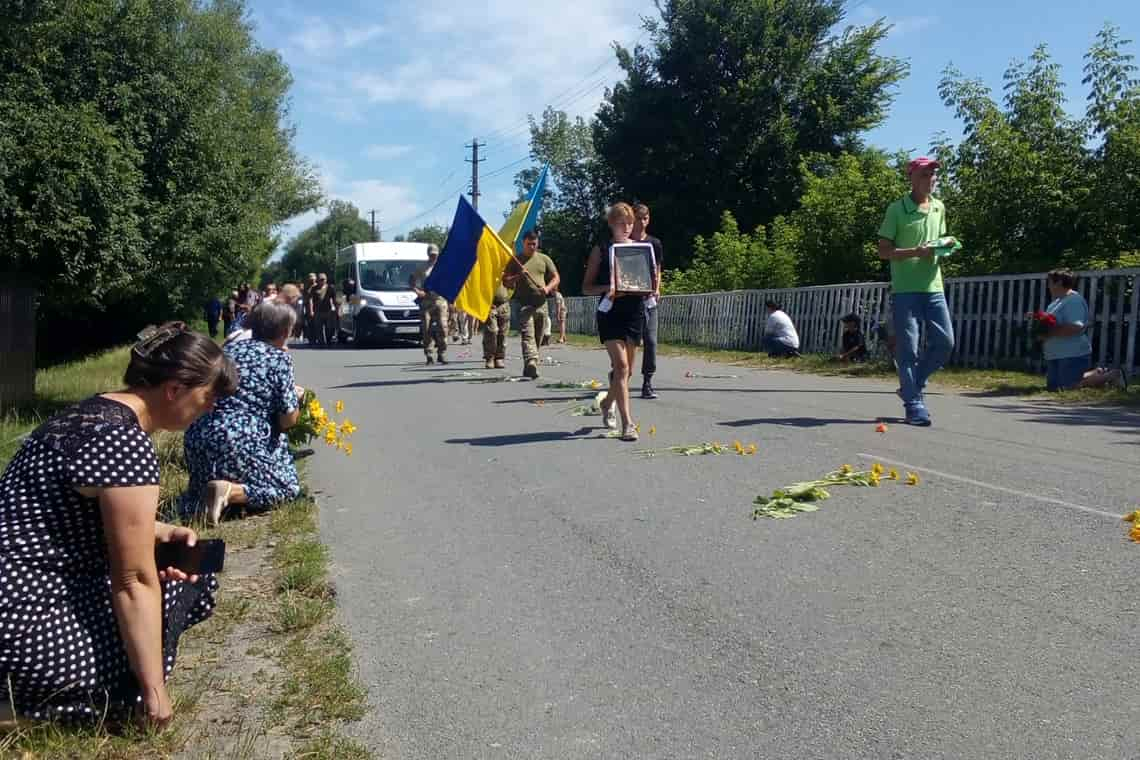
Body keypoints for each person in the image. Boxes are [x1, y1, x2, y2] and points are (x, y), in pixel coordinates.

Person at [0, 323, 237, 726]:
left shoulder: (83, 415)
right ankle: (42, 706)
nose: (211, 408)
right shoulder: (126, 443)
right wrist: (154, 690)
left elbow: (63, 511)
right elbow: (132, 580)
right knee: (182, 586)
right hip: (23, 624)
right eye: (209, 397)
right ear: (175, 389)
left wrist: (157, 530)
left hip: (12, 596)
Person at [180, 302, 304, 525]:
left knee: (197, 493)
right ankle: (231, 491)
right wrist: (297, 400)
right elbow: (287, 420)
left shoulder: (223, 352)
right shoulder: (278, 358)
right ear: (286, 331)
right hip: (241, 439)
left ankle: (204, 499)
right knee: (288, 488)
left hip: (199, 437)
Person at [878, 156, 956, 427]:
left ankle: (914, 385)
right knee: (908, 349)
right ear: (911, 177)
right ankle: (914, 405)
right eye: (924, 174)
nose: (930, 179)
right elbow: (883, 250)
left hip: (934, 287)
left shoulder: (939, 207)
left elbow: (941, 241)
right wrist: (915, 252)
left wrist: (946, 244)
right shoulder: (897, 209)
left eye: (933, 174)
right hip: (905, 290)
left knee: (945, 343)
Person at [582, 202, 644, 441]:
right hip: (610, 312)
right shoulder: (601, 249)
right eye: (621, 223)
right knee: (621, 367)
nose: (627, 227)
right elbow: (586, 287)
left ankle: (607, 402)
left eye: (630, 222)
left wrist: (648, 289)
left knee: (626, 373)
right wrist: (609, 287)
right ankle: (628, 423)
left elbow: (647, 279)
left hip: (634, 312)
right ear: (611, 224)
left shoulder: (641, 248)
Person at [1038, 269, 1127, 391]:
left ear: (1058, 283)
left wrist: (1049, 332)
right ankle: (1099, 372)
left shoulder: (1074, 301)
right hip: (1056, 353)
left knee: (1067, 387)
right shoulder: (1055, 303)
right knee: (1054, 387)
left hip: (1071, 353)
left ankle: (1113, 375)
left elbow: (1076, 326)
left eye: (1049, 282)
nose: (1048, 286)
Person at [502, 229, 560, 379]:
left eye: (534, 244)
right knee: (528, 335)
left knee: (538, 337)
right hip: (524, 305)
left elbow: (556, 277)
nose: (532, 247)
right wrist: (518, 275)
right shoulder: (516, 260)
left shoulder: (544, 259)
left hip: (541, 304)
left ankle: (530, 363)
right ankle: (532, 362)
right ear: (523, 243)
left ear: (538, 243)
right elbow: (506, 282)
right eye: (529, 244)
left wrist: (547, 288)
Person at [632, 203, 664, 399]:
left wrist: (657, 288)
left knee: (651, 341)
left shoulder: (654, 243)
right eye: (638, 218)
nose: (642, 222)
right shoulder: (625, 242)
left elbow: (657, 268)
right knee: (630, 343)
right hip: (628, 300)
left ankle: (647, 381)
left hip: (648, 299)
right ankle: (619, 373)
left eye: (645, 218)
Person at [411, 244, 449, 364]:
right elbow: (411, 280)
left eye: (435, 254)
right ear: (428, 254)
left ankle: (442, 353)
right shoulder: (422, 267)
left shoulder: (443, 267)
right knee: (426, 329)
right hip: (426, 301)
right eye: (431, 254)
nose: (433, 256)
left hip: (440, 300)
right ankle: (429, 354)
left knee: (443, 327)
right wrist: (417, 291)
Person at [483, 279, 511, 369]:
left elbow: (511, 284)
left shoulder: (505, 268)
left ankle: (499, 357)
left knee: (502, 333)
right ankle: (490, 357)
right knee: (492, 331)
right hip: (489, 305)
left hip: (504, 304)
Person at [313, 273, 338, 346]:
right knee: (319, 327)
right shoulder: (314, 288)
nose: (321, 281)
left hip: (328, 311)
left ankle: (329, 340)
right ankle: (321, 342)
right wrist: (311, 310)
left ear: (326, 280)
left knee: (329, 327)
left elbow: (334, 299)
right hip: (318, 311)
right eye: (320, 279)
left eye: (323, 279)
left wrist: (337, 309)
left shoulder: (330, 288)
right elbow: (310, 299)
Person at [303, 272, 318, 343]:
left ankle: (316, 337)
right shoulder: (306, 288)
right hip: (308, 308)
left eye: (313, 279)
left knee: (317, 324)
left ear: (315, 279)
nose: (312, 280)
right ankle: (311, 339)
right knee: (309, 324)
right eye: (310, 279)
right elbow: (305, 298)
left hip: (317, 308)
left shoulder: (318, 286)